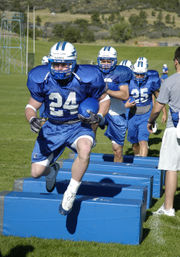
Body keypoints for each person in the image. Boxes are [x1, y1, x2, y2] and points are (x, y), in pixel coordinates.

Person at [25, 41, 110, 216]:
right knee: (36, 172)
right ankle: (52, 170)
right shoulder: (41, 78)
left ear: (73, 63)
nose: (60, 68)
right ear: (50, 63)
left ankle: (71, 191)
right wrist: (32, 118)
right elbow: (31, 106)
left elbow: (104, 99)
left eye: (64, 64)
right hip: (52, 127)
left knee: (85, 150)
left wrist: (100, 117)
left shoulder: (87, 76)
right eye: (56, 64)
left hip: (78, 125)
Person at [147, 47, 180, 217]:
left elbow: (157, 108)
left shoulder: (169, 81)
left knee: (171, 168)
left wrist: (150, 121)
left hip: (175, 128)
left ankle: (168, 208)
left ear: (176, 61)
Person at [125, 57, 166, 157]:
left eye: (141, 74)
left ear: (146, 73)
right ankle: (138, 160)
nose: (139, 77)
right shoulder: (128, 82)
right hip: (132, 115)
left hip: (146, 114)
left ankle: (141, 165)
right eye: (137, 74)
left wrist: (164, 112)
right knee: (134, 143)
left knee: (143, 141)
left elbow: (159, 97)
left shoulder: (151, 81)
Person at [97, 46, 132, 162]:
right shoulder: (95, 72)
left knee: (117, 149)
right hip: (98, 109)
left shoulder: (120, 72)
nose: (105, 64)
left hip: (116, 112)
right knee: (85, 141)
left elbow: (125, 95)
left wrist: (107, 90)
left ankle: (117, 171)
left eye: (108, 61)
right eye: (103, 61)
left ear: (114, 61)